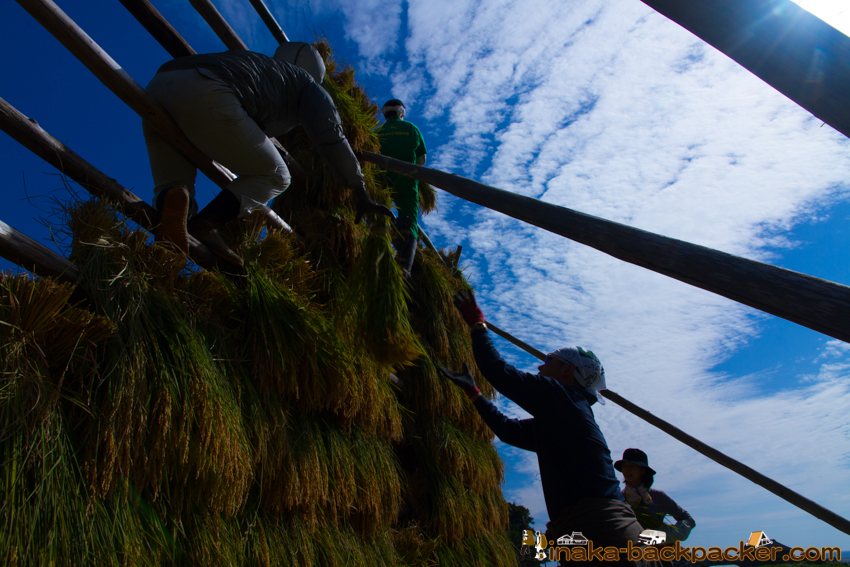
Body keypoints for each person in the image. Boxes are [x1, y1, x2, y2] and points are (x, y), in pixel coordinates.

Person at [438, 291, 647, 566]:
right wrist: (474, 392)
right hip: (607, 536)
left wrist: (477, 323)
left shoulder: (564, 399)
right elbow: (508, 430)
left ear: (567, 371)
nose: (539, 364)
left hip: (604, 535)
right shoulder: (564, 419)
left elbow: (498, 371)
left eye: (549, 360)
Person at [143, 42, 391, 268]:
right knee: (278, 175)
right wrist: (358, 190)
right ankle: (204, 226)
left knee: (174, 185)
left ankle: (173, 209)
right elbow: (331, 137)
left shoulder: (256, 62)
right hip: (209, 93)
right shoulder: (308, 86)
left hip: (160, 85)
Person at [375, 99, 427, 275]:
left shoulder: (378, 131)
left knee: (378, 212)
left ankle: (378, 249)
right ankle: (404, 267)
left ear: (385, 114)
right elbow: (422, 160)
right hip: (406, 178)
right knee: (410, 221)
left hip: (382, 178)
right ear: (401, 113)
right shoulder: (411, 128)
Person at [615, 448, 695, 544]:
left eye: (632, 466)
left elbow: (688, 520)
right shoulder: (619, 498)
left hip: (657, 554)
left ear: (642, 471)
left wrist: (660, 537)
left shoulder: (658, 496)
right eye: (625, 466)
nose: (627, 470)